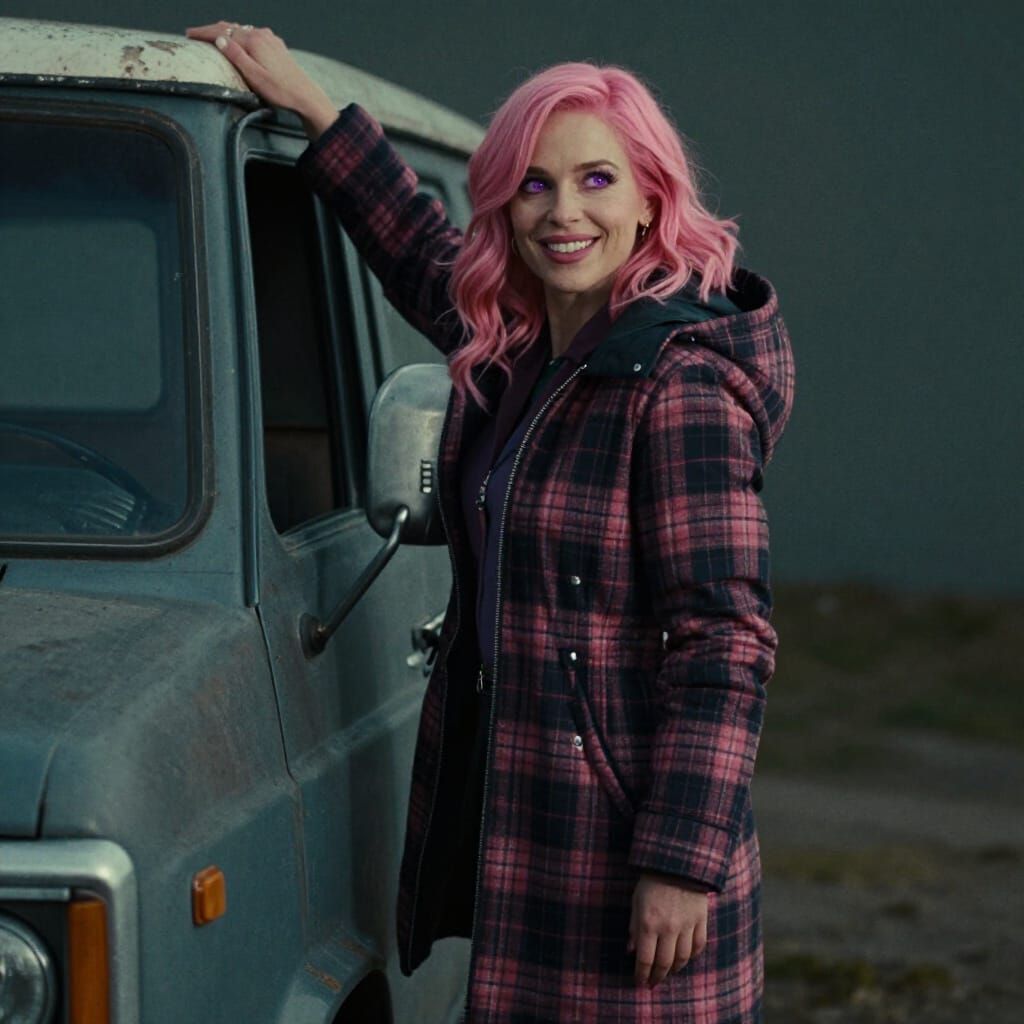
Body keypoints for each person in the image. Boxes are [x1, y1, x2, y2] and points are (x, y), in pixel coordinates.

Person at [185, 21, 795, 1022]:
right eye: (533, 184)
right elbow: (419, 253)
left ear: (650, 196)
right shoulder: (523, 351)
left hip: (629, 845)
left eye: (596, 179)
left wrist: (684, 861)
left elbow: (726, 639)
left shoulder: (678, 384)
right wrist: (306, 103)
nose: (563, 212)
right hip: (532, 830)